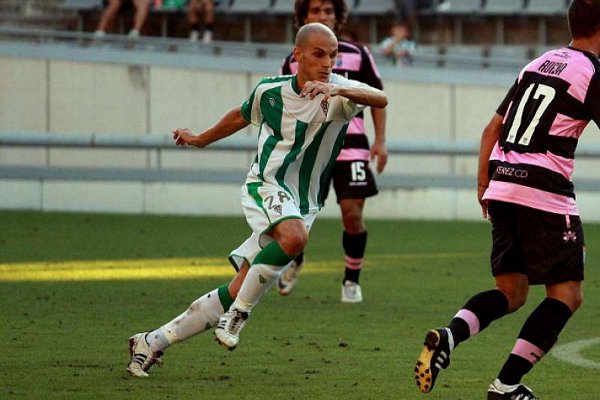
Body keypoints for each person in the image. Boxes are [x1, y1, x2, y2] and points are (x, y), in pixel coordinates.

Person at [126, 22, 387, 377]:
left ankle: (153, 340)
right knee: (294, 239)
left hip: (303, 203)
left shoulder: (338, 93)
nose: (328, 62)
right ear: (298, 55)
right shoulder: (270, 91)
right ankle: (240, 315)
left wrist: (335, 88)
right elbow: (241, 115)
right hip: (265, 185)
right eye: (319, 54)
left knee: (235, 289)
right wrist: (200, 139)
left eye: (333, 55)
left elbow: (380, 98)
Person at [414, 1, 600, 398]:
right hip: (544, 192)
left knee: (511, 291)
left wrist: (484, 184)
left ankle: (449, 336)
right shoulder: (592, 72)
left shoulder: (537, 63)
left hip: (502, 185)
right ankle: (506, 386)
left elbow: (491, 128)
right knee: (567, 294)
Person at [278, 0, 388, 304]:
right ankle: (295, 259)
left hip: (351, 147)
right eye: (315, 11)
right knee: (299, 216)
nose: (322, 16)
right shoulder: (292, 59)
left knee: (352, 214)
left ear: (338, 17)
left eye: (328, 10)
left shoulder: (358, 54)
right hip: (311, 150)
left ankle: (351, 281)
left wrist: (380, 141)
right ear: (303, 17)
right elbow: (287, 104)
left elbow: (376, 95)